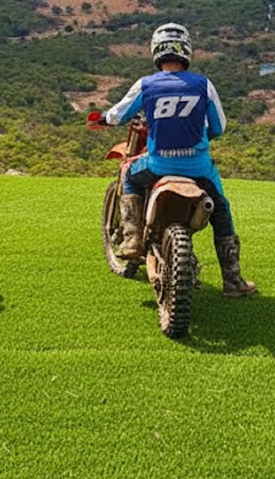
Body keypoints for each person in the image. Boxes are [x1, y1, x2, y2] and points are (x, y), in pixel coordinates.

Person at [98, 23, 256, 297]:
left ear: (156, 51)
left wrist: (103, 118)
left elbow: (118, 114)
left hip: (158, 165)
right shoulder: (203, 85)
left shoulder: (146, 85)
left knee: (129, 175)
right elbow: (219, 127)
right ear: (186, 52)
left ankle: (133, 237)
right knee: (221, 210)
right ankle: (233, 280)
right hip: (199, 169)